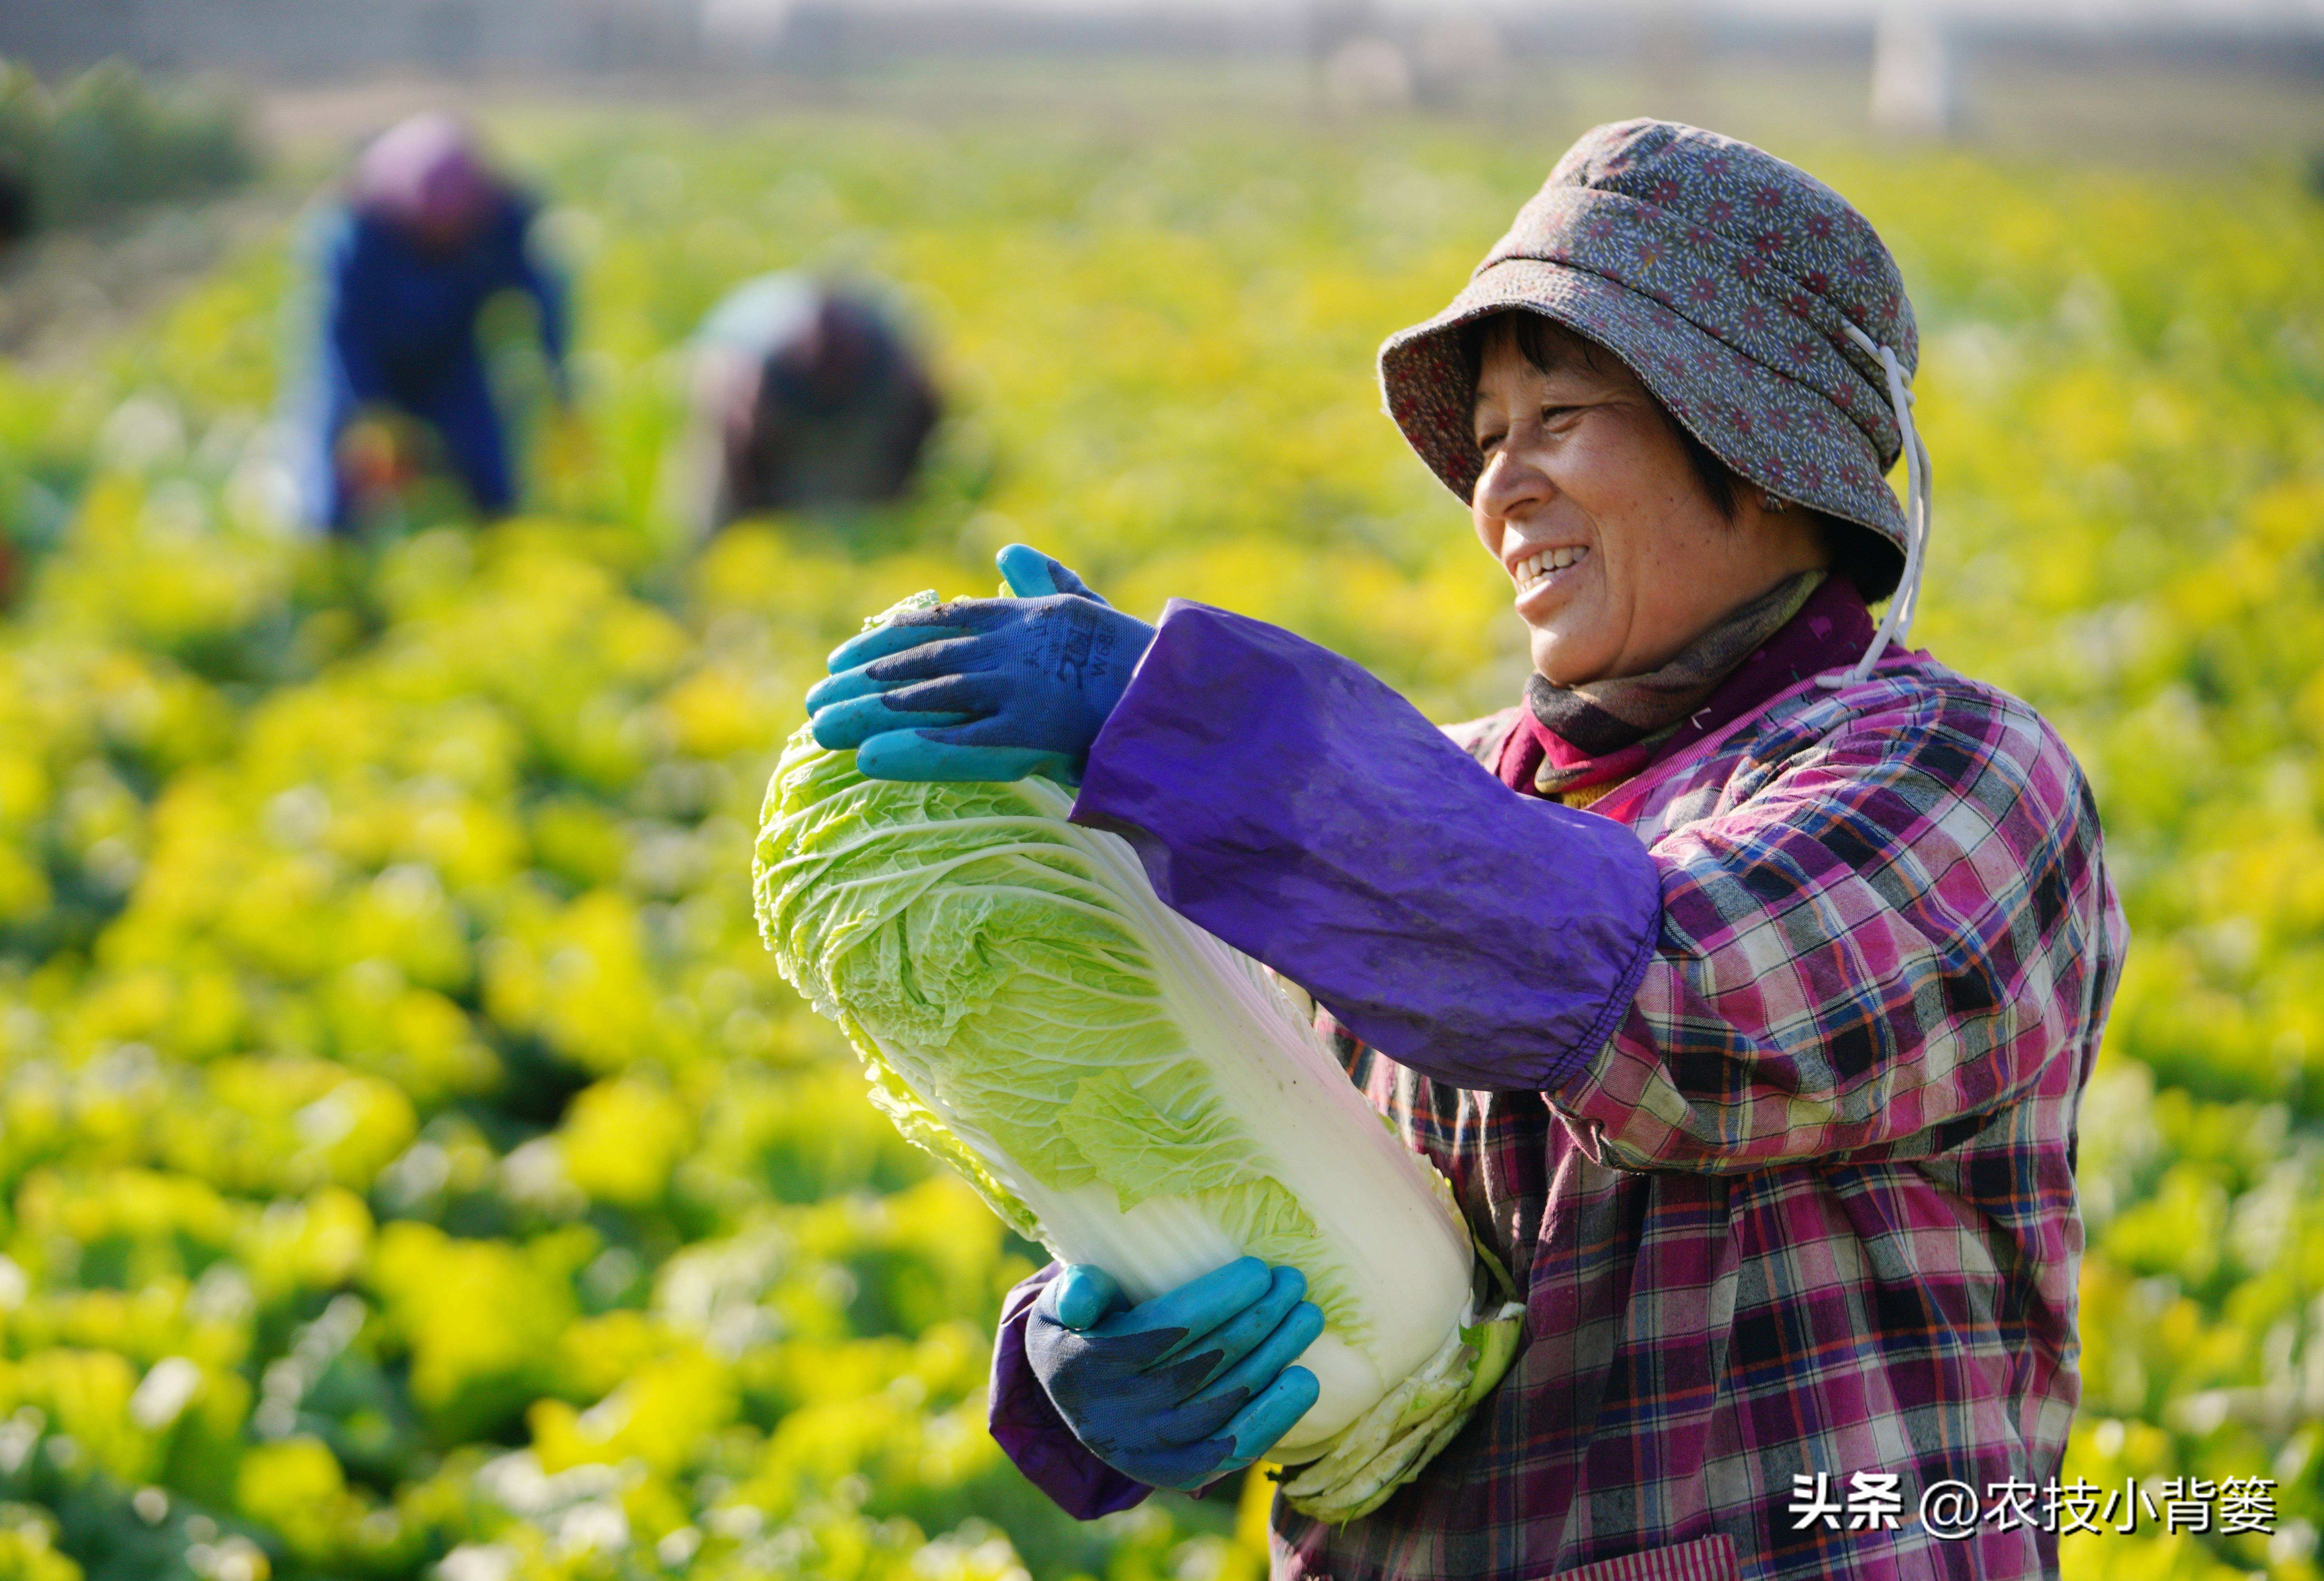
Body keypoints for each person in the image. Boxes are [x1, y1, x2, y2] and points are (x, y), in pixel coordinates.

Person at [803, 120, 2125, 1581]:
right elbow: (1261, 1156)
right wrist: (1099, 1344)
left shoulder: (1954, 772)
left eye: (1558, 417)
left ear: (1757, 450)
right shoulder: (1431, 801)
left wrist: (1194, 724)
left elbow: (1675, 1004)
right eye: (1488, 440)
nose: (1500, 489)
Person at [294, 113, 568, 534]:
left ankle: (498, 546)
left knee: (490, 475)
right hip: (366, 357)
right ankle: (325, 548)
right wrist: (374, 418)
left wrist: (561, 387)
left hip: (451, 357)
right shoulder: (354, 229)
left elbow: (542, 300)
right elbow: (341, 335)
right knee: (335, 479)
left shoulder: (501, 217)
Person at [687, 271, 940, 532]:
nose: (836, 375)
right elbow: (738, 444)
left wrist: (897, 493)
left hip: (865, 399)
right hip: (743, 378)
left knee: (861, 499)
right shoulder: (756, 365)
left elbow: (926, 412)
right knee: (721, 505)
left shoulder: (892, 355)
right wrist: (760, 509)